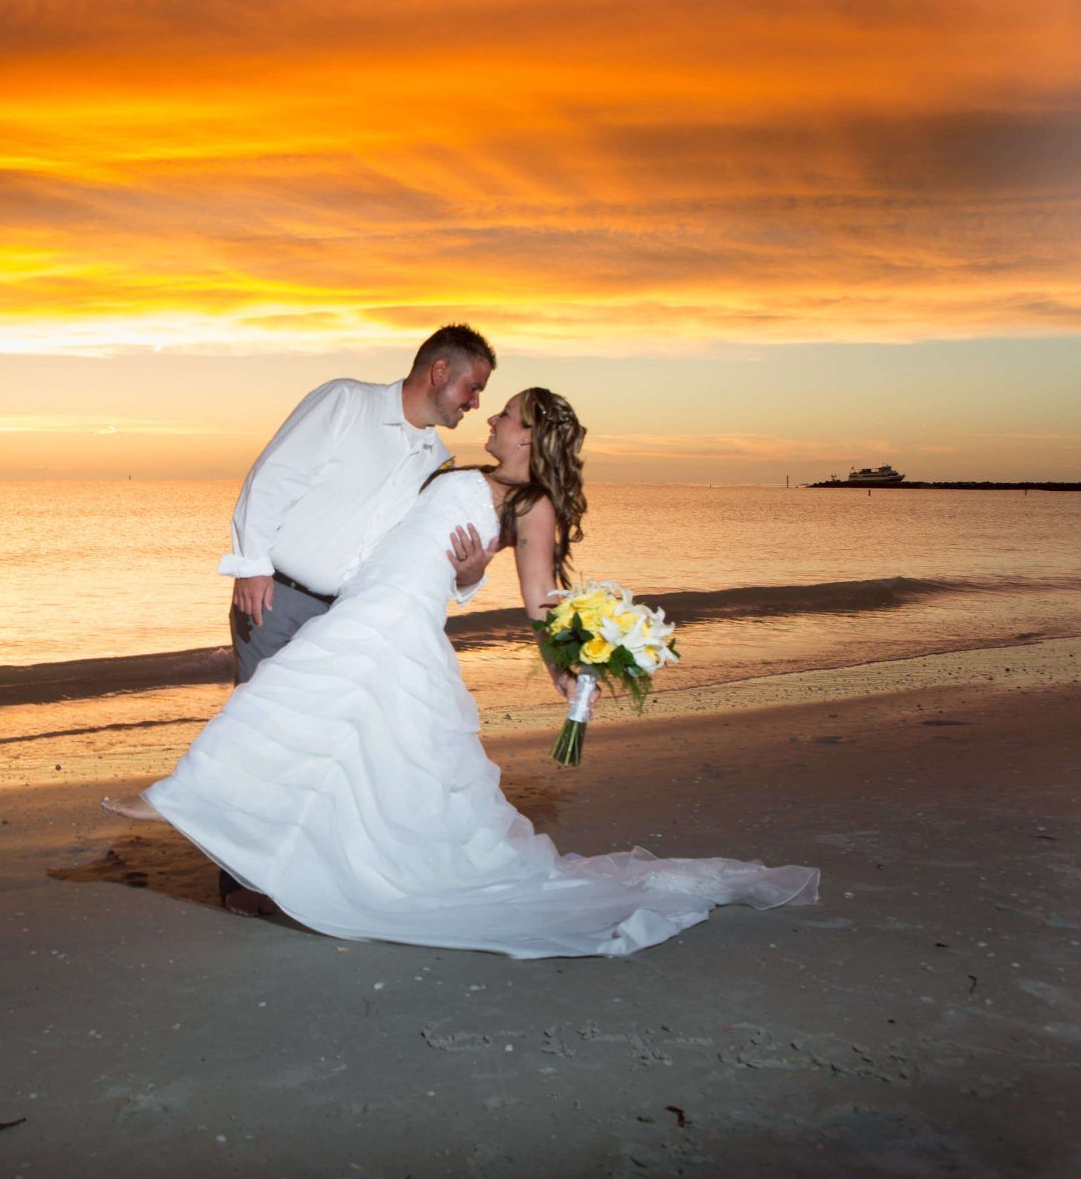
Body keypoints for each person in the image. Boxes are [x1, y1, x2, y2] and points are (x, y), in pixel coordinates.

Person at [104, 389, 818, 958]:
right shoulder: (462, 474)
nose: (495, 417)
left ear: (531, 438)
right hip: (370, 599)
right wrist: (462, 571)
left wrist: (563, 670)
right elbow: (398, 535)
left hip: (396, 616)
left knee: (292, 697)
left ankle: (188, 795)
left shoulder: (534, 506)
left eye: (508, 415)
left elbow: (541, 600)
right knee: (336, 735)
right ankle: (261, 840)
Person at [211, 324, 500, 914]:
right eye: (473, 387)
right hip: (277, 598)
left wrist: (469, 577)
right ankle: (240, 884)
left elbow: (412, 551)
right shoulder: (346, 401)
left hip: (346, 622)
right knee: (259, 740)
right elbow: (274, 476)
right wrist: (250, 565)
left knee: (319, 748)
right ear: (439, 372)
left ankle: (293, 878)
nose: (476, 404)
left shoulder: (433, 460)